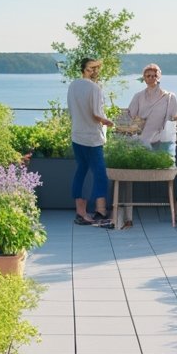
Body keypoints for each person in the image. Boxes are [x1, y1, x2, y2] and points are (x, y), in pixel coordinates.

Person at [67, 57, 114, 228]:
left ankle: (81, 213)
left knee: (81, 172)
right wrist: (109, 122)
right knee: (100, 175)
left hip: (77, 135)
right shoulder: (95, 88)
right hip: (91, 138)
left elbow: (71, 111)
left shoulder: (73, 85)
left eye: (96, 68)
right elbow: (96, 115)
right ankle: (98, 213)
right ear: (84, 69)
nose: (94, 71)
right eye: (91, 68)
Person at [127, 63, 177, 157]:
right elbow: (131, 115)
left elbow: (173, 118)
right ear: (144, 78)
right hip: (143, 138)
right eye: (148, 76)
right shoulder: (138, 96)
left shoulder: (169, 97)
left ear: (158, 77)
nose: (151, 78)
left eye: (154, 75)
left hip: (162, 139)